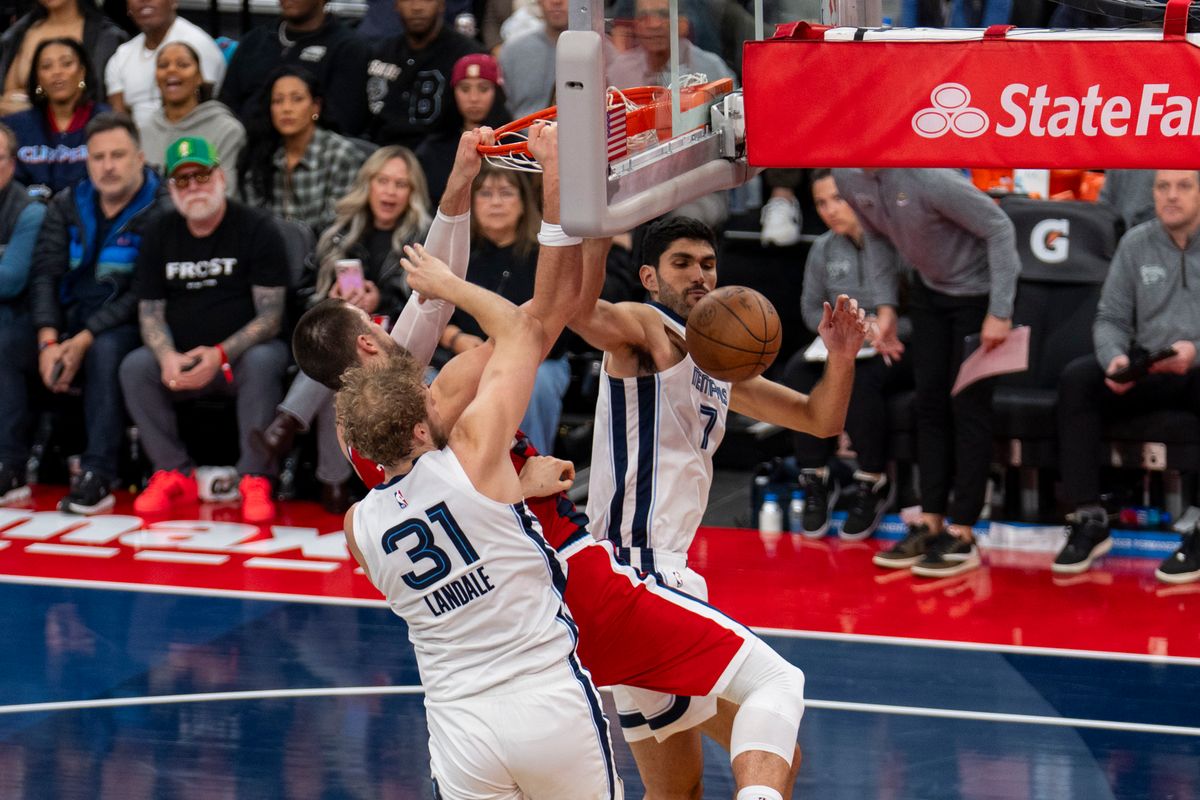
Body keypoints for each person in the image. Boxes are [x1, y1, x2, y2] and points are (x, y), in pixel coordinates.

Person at [294, 126, 812, 800]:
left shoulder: (364, 459)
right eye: (373, 325)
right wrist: (563, 187)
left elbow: (431, 308)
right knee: (775, 694)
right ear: (368, 347)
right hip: (560, 598)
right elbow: (533, 315)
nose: (391, 322)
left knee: (679, 785)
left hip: (471, 680)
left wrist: (460, 180)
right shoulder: (447, 402)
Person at [568, 214, 869, 800]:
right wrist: (595, 224)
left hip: (640, 577)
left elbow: (820, 419)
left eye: (708, 264)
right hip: (638, 572)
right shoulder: (645, 328)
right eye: (682, 264)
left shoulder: (721, 366)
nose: (700, 275)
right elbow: (581, 313)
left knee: (676, 792)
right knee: (776, 729)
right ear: (650, 277)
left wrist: (841, 356)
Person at [337, 251, 623, 799]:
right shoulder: (472, 452)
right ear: (422, 429)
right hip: (543, 695)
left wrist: (515, 490)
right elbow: (518, 329)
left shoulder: (358, 527)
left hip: (458, 722)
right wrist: (448, 285)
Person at [835, 167, 1020, 578]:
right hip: (930, 292)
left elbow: (1001, 229)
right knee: (928, 406)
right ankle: (931, 519)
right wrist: (886, 307)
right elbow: (877, 237)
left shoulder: (931, 178)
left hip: (977, 295)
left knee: (968, 407)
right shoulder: (846, 175)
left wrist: (1000, 311)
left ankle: (964, 530)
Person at [119, 136, 291, 523]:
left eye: (201, 175)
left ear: (220, 176)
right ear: (171, 189)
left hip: (238, 359)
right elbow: (149, 312)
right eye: (183, 180)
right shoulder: (160, 234)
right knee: (135, 365)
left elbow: (271, 317)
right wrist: (166, 356)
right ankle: (172, 472)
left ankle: (255, 477)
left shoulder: (256, 228)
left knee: (265, 360)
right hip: (181, 358)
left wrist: (220, 354)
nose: (194, 187)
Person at [261, 145, 432, 513]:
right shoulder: (337, 230)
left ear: (412, 192)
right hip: (348, 337)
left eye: (400, 184)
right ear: (367, 185)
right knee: (342, 368)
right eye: (382, 181)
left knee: (341, 371)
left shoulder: (423, 238)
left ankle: (292, 426)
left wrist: (381, 300)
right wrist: (331, 299)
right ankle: (332, 483)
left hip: (399, 345)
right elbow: (303, 296)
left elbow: (431, 305)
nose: (389, 192)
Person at [1053, 169, 1200, 585]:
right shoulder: (1136, 243)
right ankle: (1089, 518)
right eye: (1162, 187)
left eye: (1184, 186)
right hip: (1149, 362)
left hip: (1196, 366)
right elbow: (1111, 318)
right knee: (1078, 380)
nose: (1171, 196)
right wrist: (1114, 358)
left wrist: (1195, 353)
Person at [28, 112, 164, 514]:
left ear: (140, 157)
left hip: (130, 322)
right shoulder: (68, 202)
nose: (108, 166)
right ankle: (10, 463)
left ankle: (99, 472)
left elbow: (144, 292)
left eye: (118, 155)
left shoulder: (160, 210)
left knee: (106, 350)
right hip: (69, 317)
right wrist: (49, 339)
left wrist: (82, 340)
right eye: (99, 157)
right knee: (9, 339)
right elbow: (45, 275)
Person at [782, 169, 909, 540]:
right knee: (797, 373)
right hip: (843, 342)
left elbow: (919, 308)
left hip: (896, 343)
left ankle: (872, 480)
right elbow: (808, 310)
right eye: (821, 203)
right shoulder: (823, 248)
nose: (829, 210)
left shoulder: (893, 239)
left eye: (837, 199)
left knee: (862, 378)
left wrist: (881, 326)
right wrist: (842, 326)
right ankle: (815, 479)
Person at [443, 162, 569, 455]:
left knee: (534, 386)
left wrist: (509, 357)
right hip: (466, 355)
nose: (496, 202)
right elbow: (434, 316)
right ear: (472, 202)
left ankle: (534, 474)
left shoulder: (543, 257)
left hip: (540, 357)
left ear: (524, 203)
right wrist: (457, 339)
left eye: (506, 193)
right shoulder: (459, 253)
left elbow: (557, 325)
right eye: (485, 193)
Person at [238, 66, 365, 235]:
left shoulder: (341, 155)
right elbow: (254, 225)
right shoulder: (260, 154)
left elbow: (340, 228)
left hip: (326, 254)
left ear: (316, 107)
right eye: (277, 101)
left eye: (297, 99)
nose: (286, 108)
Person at [218, 0, 370, 137]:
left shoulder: (348, 48)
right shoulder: (255, 40)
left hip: (312, 153)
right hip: (244, 146)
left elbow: (345, 124)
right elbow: (225, 106)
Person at [0, 121, 48, 505]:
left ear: (12, 163)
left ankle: (9, 463)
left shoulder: (29, 211)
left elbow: (10, 280)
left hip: (21, 320)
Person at [365, 0, 483, 149]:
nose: (417, 7)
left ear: (442, 4)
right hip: (380, 155)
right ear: (395, 4)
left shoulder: (467, 57)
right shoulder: (381, 53)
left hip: (441, 158)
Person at [2, 38, 108, 195]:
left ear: (82, 72)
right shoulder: (13, 127)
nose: (57, 72)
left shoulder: (107, 122)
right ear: (37, 78)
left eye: (66, 63)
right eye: (46, 66)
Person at [140, 41, 245, 195]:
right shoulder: (143, 131)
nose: (171, 70)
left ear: (199, 77)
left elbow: (227, 193)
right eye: (163, 65)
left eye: (182, 64)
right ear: (156, 78)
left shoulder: (227, 130)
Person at [104, 0, 225, 130]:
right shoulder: (121, 56)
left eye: (182, 65)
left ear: (174, 1)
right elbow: (119, 120)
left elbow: (205, 110)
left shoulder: (198, 44)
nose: (144, 1)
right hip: (137, 143)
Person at [0, 0, 126, 116]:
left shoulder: (107, 38)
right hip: (27, 134)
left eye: (67, 63)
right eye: (46, 65)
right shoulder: (18, 35)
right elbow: (6, 99)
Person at [414, 53, 508, 206]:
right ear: (453, 93)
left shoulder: (516, 145)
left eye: (483, 89)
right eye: (464, 89)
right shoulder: (432, 150)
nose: (474, 98)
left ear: (497, 92)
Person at [496, 0, 566, 119]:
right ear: (539, 2)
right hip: (520, 134)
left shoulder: (601, 50)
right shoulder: (512, 50)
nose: (556, 1)